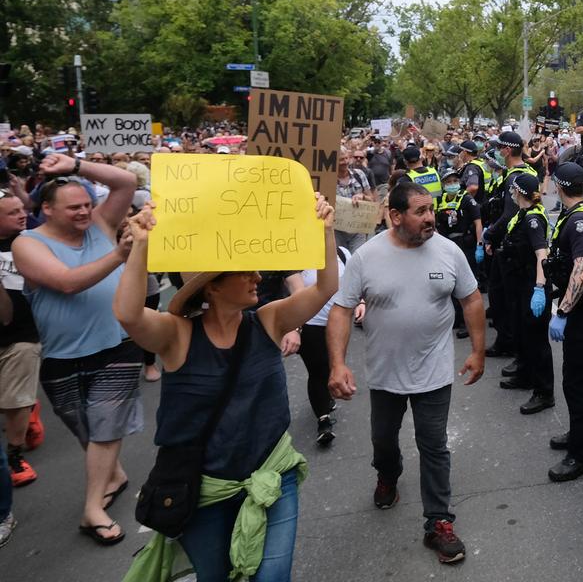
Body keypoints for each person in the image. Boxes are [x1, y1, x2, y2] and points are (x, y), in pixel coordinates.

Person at [114, 195, 336, 581]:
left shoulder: (268, 320)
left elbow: (325, 287)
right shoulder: (177, 335)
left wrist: (326, 229)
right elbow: (129, 315)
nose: (257, 278)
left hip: (273, 475)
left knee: (272, 576)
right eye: (243, 271)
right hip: (205, 488)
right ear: (212, 288)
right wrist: (141, 247)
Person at [328, 180, 485, 565]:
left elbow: (471, 298)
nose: (431, 217)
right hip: (385, 376)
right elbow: (342, 309)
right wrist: (337, 363)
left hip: (434, 373)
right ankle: (387, 475)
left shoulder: (448, 252)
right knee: (384, 441)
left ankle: (438, 522)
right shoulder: (367, 256)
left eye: (430, 210)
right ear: (394, 216)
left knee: (434, 446)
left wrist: (479, 352)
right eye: (420, 211)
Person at [11, 152, 139, 546]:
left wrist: (76, 166)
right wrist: (119, 254)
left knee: (105, 425)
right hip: (62, 356)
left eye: (87, 203)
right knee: (87, 431)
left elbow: (126, 183)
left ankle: (92, 510)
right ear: (46, 209)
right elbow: (66, 282)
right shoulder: (27, 243)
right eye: (74, 208)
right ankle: (112, 476)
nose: (85, 212)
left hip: (118, 345)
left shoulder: (101, 224)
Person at [544, 163, 583, 481]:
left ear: (560, 186)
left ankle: (582, 455)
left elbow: (582, 269)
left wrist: (563, 311)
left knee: (576, 380)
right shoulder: (582, 211)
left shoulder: (580, 220)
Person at [496, 172, 555, 414]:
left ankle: (544, 392)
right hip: (519, 285)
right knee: (522, 333)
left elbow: (542, 255)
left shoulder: (532, 220)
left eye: (514, 190)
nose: (512, 193)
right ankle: (524, 374)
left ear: (520, 192)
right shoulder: (523, 214)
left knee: (537, 341)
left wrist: (539, 289)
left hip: (532, 286)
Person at [290, 246, 361, 447]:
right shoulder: (296, 256)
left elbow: (354, 284)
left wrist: (361, 302)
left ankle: (327, 397)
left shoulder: (342, 253)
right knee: (318, 370)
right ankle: (323, 420)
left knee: (333, 365)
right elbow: (292, 294)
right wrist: (294, 326)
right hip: (309, 324)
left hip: (338, 324)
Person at [1, 186, 43, 494]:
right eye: (13, 212)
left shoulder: (34, 241)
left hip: (23, 335)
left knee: (14, 400)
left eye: (21, 209)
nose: (22, 215)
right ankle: (29, 412)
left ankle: (14, 456)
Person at [482, 132, 536, 360]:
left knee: (500, 294)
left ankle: (508, 341)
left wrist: (490, 235)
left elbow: (509, 214)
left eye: (499, 148)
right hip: (518, 243)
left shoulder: (515, 177)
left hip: (511, 244)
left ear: (505, 150)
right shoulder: (526, 172)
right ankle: (510, 341)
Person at [436, 169, 483, 339]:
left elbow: (478, 223)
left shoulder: (466, 199)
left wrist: (479, 245)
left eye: (455, 181)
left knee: (467, 285)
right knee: (451, 283)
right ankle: (457, 317)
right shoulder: (440, 200)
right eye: (448, 182)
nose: (452, 184)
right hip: (447, 245)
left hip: (466, 245)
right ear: (443, 185)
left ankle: (468, 322)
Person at [336, 147, 375, 252]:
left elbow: (371, 200)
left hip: (358, 231)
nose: (345, 162)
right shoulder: (329, 180)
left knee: (357, 260)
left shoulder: (359, 175)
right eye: (341, 160)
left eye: (346, 158)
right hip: (337, 232)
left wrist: (362, 196)